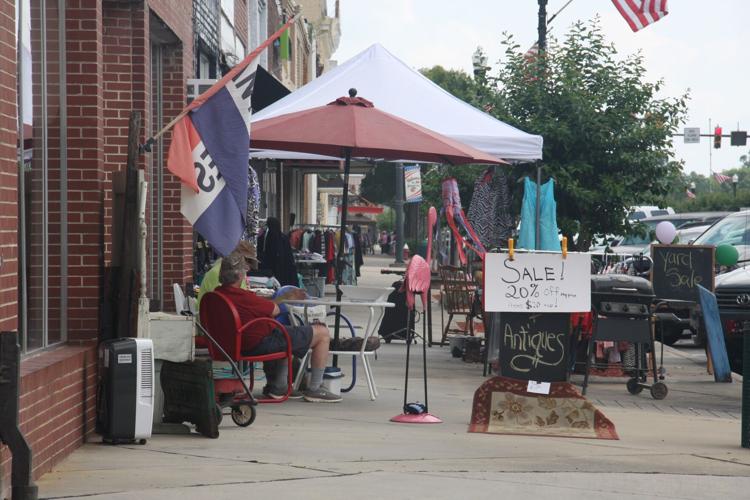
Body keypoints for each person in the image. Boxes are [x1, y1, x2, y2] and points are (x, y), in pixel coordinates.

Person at [214, 253, 342, 403]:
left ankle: (278, 386)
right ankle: (315, 388)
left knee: (282, 330)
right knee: (322, 333)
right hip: (256, 343)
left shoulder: (217, 295)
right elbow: (275, 310)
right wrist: (287, 297)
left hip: (230, 344)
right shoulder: (242, 297)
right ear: (240, 275)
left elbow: (258, 306)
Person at [197, 240, 258, 310]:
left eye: (250, 262)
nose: (249, 267)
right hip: (215, 317)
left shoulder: (238, 271)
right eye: (247, 261)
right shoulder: (220, 272)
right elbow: (223, 303)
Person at [258, 216, 298, 286]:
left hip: (271, 269)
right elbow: (289, 256)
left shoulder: (265, 238)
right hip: (282, 269)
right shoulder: (283, 238)